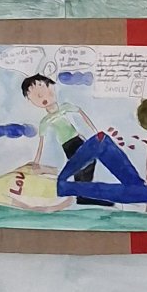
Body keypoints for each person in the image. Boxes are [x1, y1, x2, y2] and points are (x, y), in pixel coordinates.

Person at [21, 72, 108, 207]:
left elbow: (81, 113)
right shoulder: (45, 121)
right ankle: (83, 196)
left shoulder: (65, 107)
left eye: (43, 93)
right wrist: (36, 161)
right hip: (68, 145)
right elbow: (41, 143)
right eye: (36, 97)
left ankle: (84, 195)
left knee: (89, 162)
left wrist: (95, 132)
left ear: (52, 87)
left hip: (78, 139)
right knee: (81, 165)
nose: (42, 98)